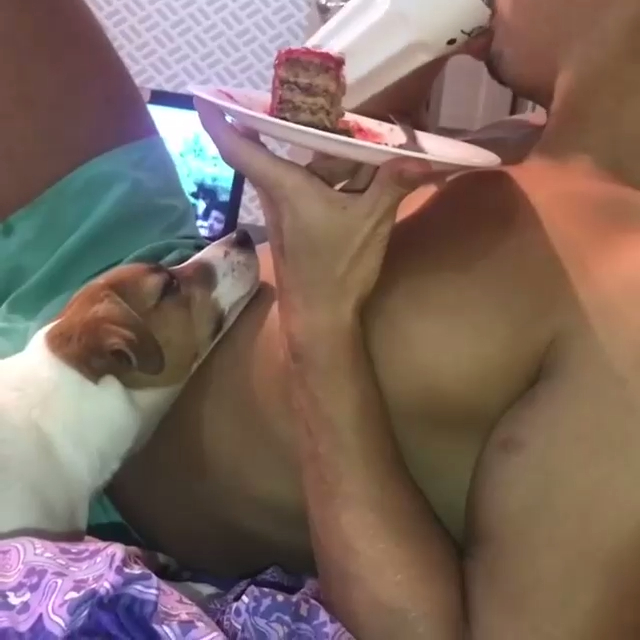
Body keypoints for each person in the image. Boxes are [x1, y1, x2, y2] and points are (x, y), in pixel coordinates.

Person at [2, 0, 636, 636]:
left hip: (77, 487)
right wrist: (403, 65)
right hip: (142, 277)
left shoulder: (623, 299)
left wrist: (321, 323)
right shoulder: (522, 139)